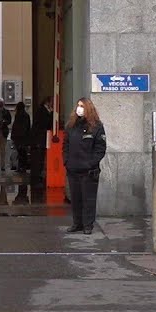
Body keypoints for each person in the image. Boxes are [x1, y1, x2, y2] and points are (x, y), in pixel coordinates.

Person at [62, 97, 107, 235]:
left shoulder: (97, 126)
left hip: (89, 171)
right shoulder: (71, 125)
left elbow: (100, 148)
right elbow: (66, 145)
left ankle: (88, 225)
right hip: (73, 169)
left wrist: (90, 163)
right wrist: (67, 162)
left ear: (88, 108)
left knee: (88, 199)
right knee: (75, 199)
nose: (79, 108)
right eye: (78, 106)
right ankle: (77, 223)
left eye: (82, 106)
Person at [30, 96, 54, 184]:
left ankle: (38, 175)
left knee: (40, 157)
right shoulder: (42, 111)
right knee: (38, 157)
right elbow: (46, 123)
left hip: (41, 137)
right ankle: (37, 176)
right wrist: (51, 113)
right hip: (39, 138)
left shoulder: (42, 110)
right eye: (52, 102)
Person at [12, 101, 31, 173]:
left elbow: (16, 126)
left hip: (19, 137)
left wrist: (14, 136)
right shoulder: (25, 115)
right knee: (23, 153)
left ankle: (21, 167)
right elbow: (27, 127)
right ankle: (22, 167)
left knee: (21, 153)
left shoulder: (19, 115)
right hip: (23, 137)